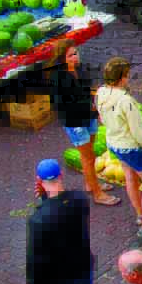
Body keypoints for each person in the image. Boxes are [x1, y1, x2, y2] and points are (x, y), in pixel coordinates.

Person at [96, 58, 142, 244]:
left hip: (115, 144)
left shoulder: (100, 92)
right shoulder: (126, 101)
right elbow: (138, 130)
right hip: (131, 146)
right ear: (123, 78)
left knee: (130, 178)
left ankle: (141, 213)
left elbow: (101, 118)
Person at [25, 157, 93, 284]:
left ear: (39, 181)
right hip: (82, 267)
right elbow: (62, 205)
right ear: (61, 175)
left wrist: (33, 282)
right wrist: (45, 197)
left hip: (55, 278)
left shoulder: (38, 219)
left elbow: (35, 254)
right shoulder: (80, 199)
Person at [51, 46, 119, 207]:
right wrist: (85, 107)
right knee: (87, 158)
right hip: (75, 121)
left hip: (89, 116)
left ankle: (91, 183)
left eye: (76, 53)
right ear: (62, 59)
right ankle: (98, 194)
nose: (75, 57)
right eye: (70, 55)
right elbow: (60, 104)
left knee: (91, 152)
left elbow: (88, 90)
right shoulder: (58, 78)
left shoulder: (81, 69)